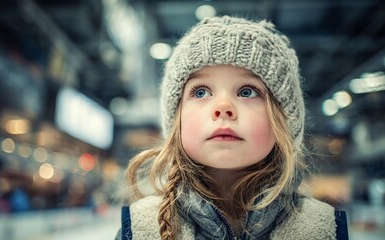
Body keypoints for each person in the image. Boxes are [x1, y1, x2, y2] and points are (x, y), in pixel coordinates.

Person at [116, 16, 349, 240]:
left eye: (247, 92)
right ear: (177, 122)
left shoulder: (322, 228)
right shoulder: (141, 228)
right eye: (200, 92)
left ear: (284, 121)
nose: (223, 107)